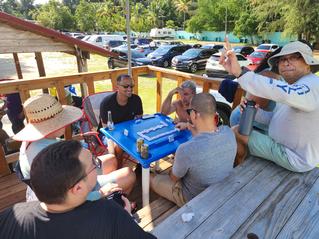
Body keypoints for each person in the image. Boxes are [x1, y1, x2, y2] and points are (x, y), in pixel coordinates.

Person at [0, 140, 156, 239]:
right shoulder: (109, 214)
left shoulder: (9, 216)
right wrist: (127, 217)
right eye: (94, 165)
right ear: (78, 188)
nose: (97, 166)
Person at [13, 94, 136, 202]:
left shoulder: (32, 143)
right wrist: (100, 194)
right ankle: (112, 207)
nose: (67, 123)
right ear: (53, 124)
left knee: (111, 159)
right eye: (62, 119)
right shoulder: (49, 157)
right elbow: (69, 196)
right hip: (72, 198)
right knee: (129, 174)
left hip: (61, 184)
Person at [220, 40, 319, 172]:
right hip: (288, 147)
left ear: (308, 64)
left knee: (235, 133)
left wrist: (240, 73)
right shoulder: (298, 85)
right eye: (282, 59)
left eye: (294, 57)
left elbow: (285, 94)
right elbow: (276, 119)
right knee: (238, 129)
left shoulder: (312, 86)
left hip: (294, 156)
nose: (285, 62)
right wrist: (256, 113)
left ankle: (236, 173)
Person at [150, 93, 237, 207]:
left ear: (195, 114)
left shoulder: (186, 149)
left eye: (189, 111)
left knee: (150, 178)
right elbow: (208, 139)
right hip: (220, 190)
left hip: (193, 199)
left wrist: (176, 162)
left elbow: (173, 178)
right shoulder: (228, 132)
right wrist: (189, 126)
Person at [229, 47, 283, 131]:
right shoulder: (269, 76)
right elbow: (251, 109)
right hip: (245, 122)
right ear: (278, 61)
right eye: (286, 59)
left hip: (259, 124)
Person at [100, 74, 143, 167]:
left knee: (144, 140)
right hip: (109, 133)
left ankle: (142, 167)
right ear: (117, 87)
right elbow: (106, 130)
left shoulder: (136, 100)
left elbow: (139, 121)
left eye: (131, 86)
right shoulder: (106, 103)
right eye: (125, 86)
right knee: (118, 147)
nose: (129, 89)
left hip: (129, 131)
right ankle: (118, 169)